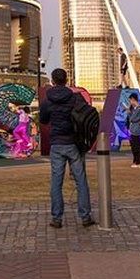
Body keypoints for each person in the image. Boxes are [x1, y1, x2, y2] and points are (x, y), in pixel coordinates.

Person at [38, 68, 95, 228]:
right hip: (74, 142)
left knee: (56, 181)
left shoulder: (48, 101)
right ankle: (85, 216)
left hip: (57, 143)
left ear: (52, 81)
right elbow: (86, 115)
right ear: (67, 79)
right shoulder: (75, 98)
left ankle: (57, 218)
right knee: (80, 180)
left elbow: (43, 120)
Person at [126, 94, 140, 168]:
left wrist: (129, 112)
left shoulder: (139, 109)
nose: (130, 102)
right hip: (133, 129)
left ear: (133, 99)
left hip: (136, 130)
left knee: (136, 146)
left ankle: (139, 161)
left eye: (130, 100)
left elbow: (132, 119)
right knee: (134, 146)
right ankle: (136, 161)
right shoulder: (135, 109)